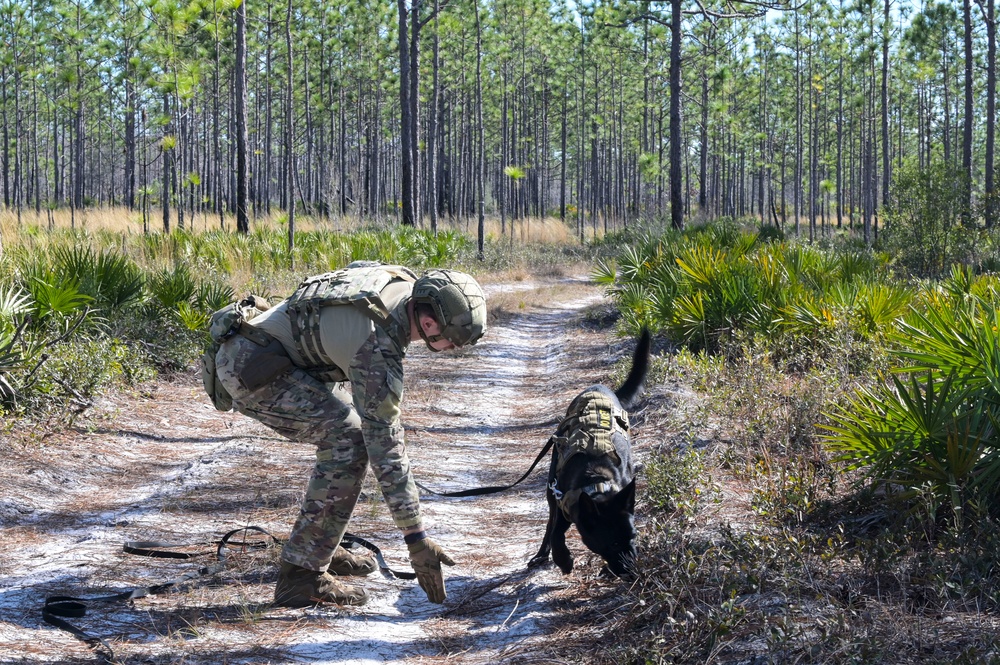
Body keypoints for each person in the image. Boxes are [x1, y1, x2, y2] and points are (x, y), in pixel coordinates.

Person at [213, 263, 487, 607]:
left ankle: (317, 544)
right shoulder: (376, 346)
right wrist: (417, 540)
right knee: (350, 441)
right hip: (250, 367)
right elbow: (385, 447)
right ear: (430, 324)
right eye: (452, 343)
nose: (451, 349)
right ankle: (301, 577)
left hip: (262, 348)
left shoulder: (401, 281)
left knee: (350, 434)